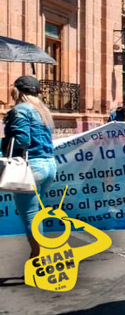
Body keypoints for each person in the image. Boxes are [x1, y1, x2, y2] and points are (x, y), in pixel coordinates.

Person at [1, 76, 55, 259]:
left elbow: (22, 140)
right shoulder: (42, 111)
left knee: (31, 216)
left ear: (18, 91)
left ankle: (40, 258)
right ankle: (37, 255)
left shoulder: (20, 110)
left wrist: (5, 140)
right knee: (37, 213)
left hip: (31, 166)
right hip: (48, 164)